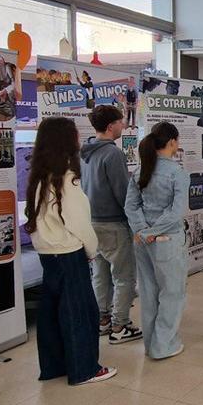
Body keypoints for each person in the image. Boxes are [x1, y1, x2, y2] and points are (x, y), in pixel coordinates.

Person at [25, 117, 116, 386]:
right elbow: (79, 224)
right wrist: (91, 249)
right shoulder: (67, 179)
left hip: (47, 253)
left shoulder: (38, 177)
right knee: (80, 313)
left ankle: (55, 366)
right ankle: (84, 369)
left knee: (52, 313)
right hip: (69, 253)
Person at [126, 121, 191, 360]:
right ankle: (164, 345)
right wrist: (153, 231)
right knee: (172, 293)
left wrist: (143, 231)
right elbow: (176, 213)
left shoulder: (140, 170)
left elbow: (130, 206)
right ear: (172, 142)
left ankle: (150, 343)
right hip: (167, 240)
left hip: (143, 242)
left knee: (149, 291)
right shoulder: (177, 173)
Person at [80, 105, 142, 345]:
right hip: (114, 224)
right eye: (120, 122)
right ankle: (120, 325)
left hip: (92, 223)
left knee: (101, 275)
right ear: (110, 126)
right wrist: (135, 220)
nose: (123, 125)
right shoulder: (112, 154)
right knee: (124, 276)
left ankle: (103, 320)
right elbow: (122, 192)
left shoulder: (85, 152)